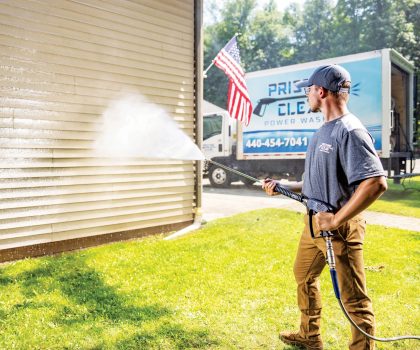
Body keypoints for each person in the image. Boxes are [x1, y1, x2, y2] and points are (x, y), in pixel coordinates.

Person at [262, 64, 387, 350]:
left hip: (339, 229)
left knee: (353, 298)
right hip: (314, 225)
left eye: (309, 90)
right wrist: (283, 186)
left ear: (321, 92)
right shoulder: (323, 131)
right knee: (303, 276)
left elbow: (376, 183)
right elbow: (315, 183)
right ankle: (309, 336)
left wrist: (337, 219)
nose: (307, 95)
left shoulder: (350, 131)